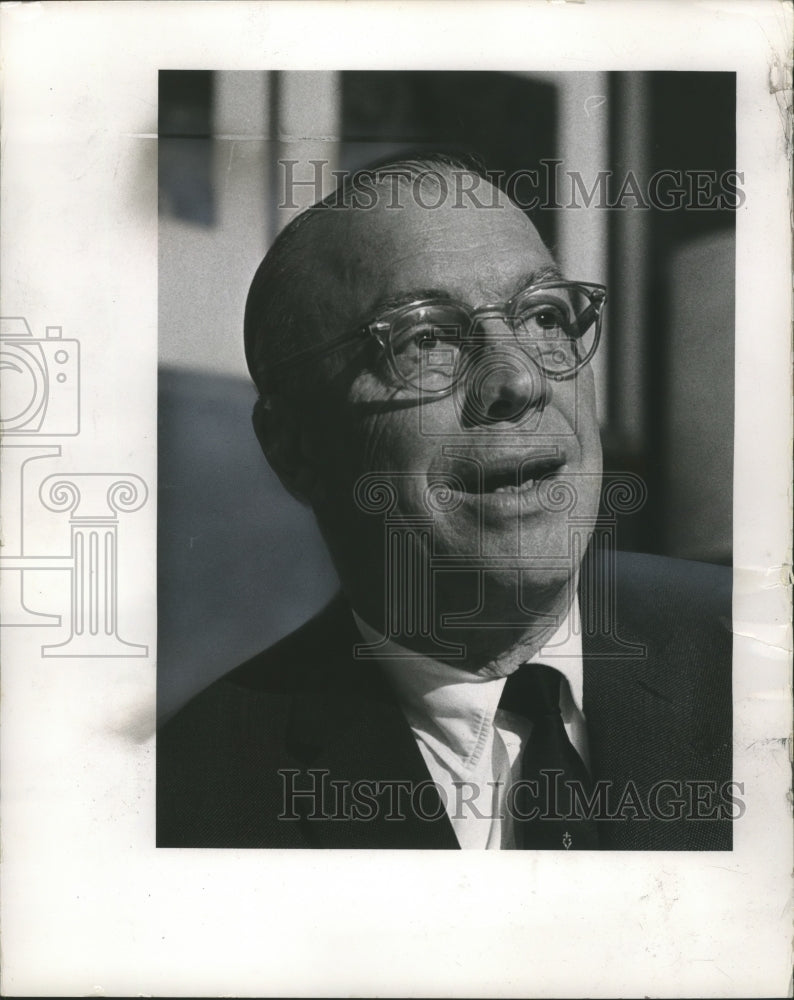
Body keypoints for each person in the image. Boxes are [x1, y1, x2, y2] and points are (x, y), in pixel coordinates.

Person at [157, 153, 733, 851]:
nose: (516, 380)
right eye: (425, 337)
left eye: (545, 317)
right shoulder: (190, 800)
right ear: (296, 448)